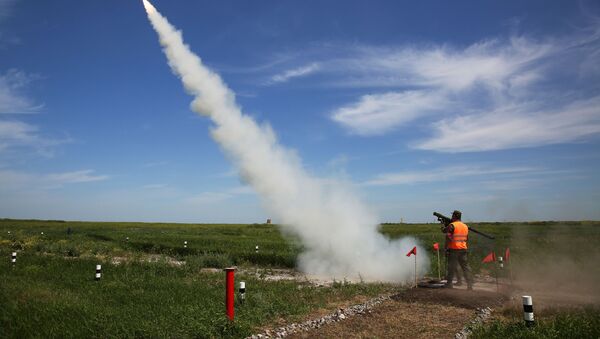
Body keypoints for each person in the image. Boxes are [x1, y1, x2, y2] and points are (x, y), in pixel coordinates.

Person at [442, 210, 473, 290]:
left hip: (454, 250)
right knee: (465, 267)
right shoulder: (465, 226)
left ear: (454, 216)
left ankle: (449, 284)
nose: (451, 217)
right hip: (463, 249)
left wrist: (443, 226)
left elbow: (446, 234)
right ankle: (470, 285)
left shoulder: (452, 225)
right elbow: (467, 238)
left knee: (451, 267)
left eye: (452, 216)